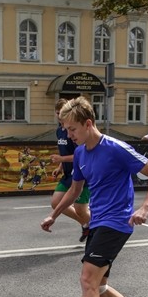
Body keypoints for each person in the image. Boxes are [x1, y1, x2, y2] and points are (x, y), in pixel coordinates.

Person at [40, 96, 148, 297]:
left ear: (88, 123)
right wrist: (55, 215)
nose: (68, 135)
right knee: (100, 288)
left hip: (117, 222)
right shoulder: (83, 152)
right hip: (98, 221)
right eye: (65, 130)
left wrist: (145, 207)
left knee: (87, 280)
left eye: (71, 129)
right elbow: (74, 190)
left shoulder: (116, 148)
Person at [49, 99, 91, 242]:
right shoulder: (59, 131)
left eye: (61, 113)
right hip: (67, 174)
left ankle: (98, 228)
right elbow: (63, 152)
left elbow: (79, 155)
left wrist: (61, 160)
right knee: (55, 202)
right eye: (57, 113)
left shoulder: (75, 131)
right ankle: (86, 225)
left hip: (80, 173)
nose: (59, 116)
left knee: (81, 210)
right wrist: (59, 167)